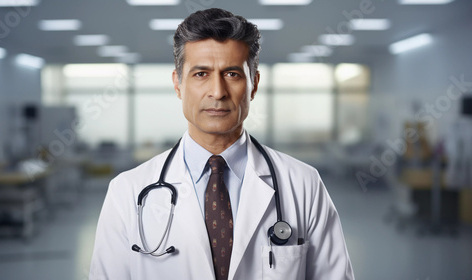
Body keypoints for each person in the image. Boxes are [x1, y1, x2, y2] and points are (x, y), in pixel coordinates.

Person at [90, 8, 355, 280]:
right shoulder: (127, 191)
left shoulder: (304, 185)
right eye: (201, 74)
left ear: (253, 84)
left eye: (232, 74)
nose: (217, 92)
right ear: (178, 84)